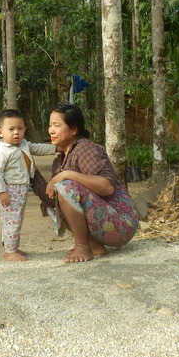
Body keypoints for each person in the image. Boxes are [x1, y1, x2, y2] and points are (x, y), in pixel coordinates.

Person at [45, 103, 140, 263]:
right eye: (50, 125)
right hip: (106, 224)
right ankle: (94, 246)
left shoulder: (85, 149)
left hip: (121, 223)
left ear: (74, 129)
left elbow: (107, 187)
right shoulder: (61, 159)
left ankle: (83, 247)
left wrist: (67, 174)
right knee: (53, 197)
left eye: (57, 125)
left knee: (66, 187)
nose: (51, 130)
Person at [0, 109, 56, 261]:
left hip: (20, 189)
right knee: (12, 219)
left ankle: (12, 247)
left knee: (15, 218)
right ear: (0, 132)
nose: (16, 133)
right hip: (9, 190)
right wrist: (1, 192)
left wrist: (56, 148)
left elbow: (38, 148)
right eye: (11, 129)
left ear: (24, 130)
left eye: (20, 129)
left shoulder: (23, 144)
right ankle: (9, 251)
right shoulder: (1, 152)